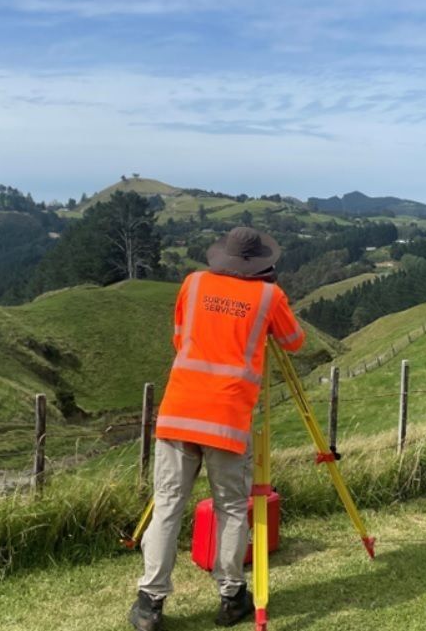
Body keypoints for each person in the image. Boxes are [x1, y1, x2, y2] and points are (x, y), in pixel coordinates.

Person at [129, 227, 305, 630]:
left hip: (179, 411)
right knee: (231, 508)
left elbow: (180, 340)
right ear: (261, 264)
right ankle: (231, 596)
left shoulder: (193, 284)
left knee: (168, 505)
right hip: (228, 419)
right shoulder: (269, 296)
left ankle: (150, 603)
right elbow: (294, 341)